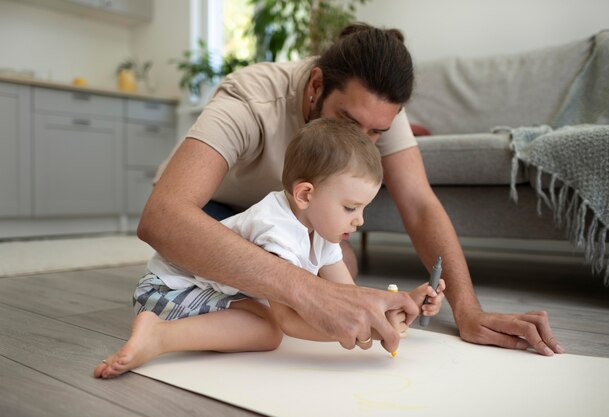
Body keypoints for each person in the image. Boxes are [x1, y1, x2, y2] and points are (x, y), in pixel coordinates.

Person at [129, 22, 563, 359]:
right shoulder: (251, 99)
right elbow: (163, 217)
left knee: (340, 257)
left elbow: (418, 204)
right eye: (348, 121)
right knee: (297, 296)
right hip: (217, 213)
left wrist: (468, 311)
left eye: (377, 131)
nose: (363, 137)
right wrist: (310, 294)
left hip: (301, 216)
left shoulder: (373, 115)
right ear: (316, 86)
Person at [94, 119, 446, 378]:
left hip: (205, 290)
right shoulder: (276, 228)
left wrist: (399, 305)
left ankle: (161, 332)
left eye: (363, 209)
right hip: (168, 292)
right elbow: (289, 320)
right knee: (268, 330)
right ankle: (159, 335)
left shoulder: (323, 228)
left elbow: (347, 297)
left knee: (263, 318)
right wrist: (356, 332)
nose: (359, 221)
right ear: (306, 194)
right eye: (351, 208)